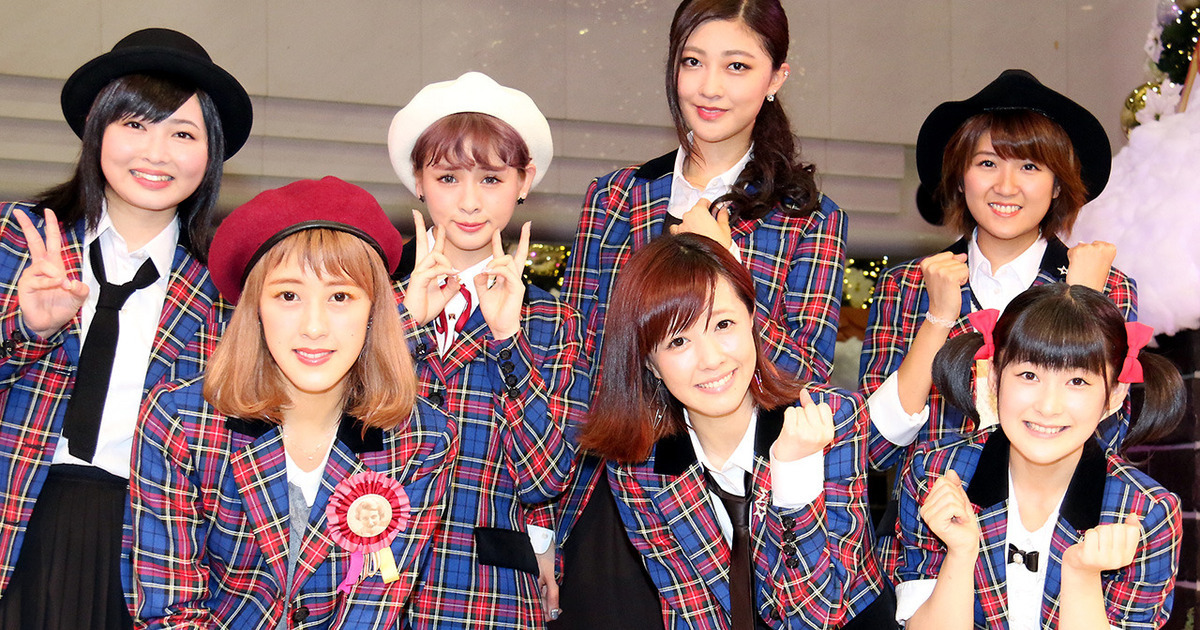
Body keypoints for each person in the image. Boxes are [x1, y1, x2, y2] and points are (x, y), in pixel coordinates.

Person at [552, 0, 848, 621]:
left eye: (737, 66)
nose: (710, 87)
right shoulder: (617, 197)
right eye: (693, 62)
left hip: (743, 502)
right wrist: (548, 527)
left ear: (776, 78)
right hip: (617, 491)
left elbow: (806, 372)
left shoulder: (809, 219)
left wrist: (725, 263)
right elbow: (579, 362)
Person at [0, 28, 251, 628]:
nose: (156, 152)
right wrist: (27, 329)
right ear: (97, 129)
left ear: (210, 153)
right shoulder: (19, 240)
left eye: (183, 134)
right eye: (135, 124)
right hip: (17, 516)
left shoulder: (230, 291)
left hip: (156, 549)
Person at [129, 177, 458, 628]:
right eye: (288, 296)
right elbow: (170, 609)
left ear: (373, 310)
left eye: (340, 296)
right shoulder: (180, 421)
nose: (314, 327)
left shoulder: (424, 438)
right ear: (255, 309)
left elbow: (374, 606)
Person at [857, 69, 1137, 579]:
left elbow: (1111, 433)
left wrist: (1085, 301)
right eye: (986, 163)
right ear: (960, 177)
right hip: (928, 544)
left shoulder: (1109, 287)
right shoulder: (906, 286)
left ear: (1058, 184)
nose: (1006, 186)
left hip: (1058, 550)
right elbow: (874, 447)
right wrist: (938, 318)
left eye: (1030, 166)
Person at [577, 233, 890, 629]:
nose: (711, 359)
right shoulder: (640, 468)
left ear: (752, 319)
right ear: (650, 363)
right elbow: (692, 609)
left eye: (723, 324)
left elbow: (818, 615)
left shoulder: (830, 419)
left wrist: (794, 480)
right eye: (678, 341)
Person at [387, 71, 586, 629]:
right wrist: (407, 325)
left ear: (524, 181)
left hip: (486, 596)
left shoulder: (551, 322)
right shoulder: (371, 304)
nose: (470, 201)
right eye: (448, 177)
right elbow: (340, 439)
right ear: (419, 182)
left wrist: (507, 341)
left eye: (492, 178)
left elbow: (546, 479)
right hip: (367, 585)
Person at [895, 283, 1184, 628]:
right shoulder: (935, 477)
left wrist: (1081, 577)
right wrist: (959, 553)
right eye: (1029, 375)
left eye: (1077, 381)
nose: (1048, 407)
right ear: (994, 377)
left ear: (1115, 393)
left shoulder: (1145, 513)